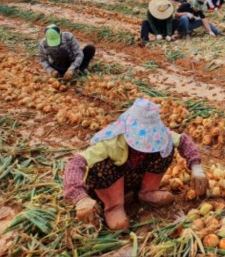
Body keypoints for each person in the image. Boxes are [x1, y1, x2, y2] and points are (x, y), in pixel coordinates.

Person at [63, 98, 208, 230]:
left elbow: (183, 141)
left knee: (166, 148)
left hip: (133, 179)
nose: (146, 141)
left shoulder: (161, 135)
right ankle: (114, 207)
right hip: (109, 185)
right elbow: (75, 164)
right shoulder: (111, 142)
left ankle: (146, 192)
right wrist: (80, 198)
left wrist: (196, 167)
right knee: (101, 166)